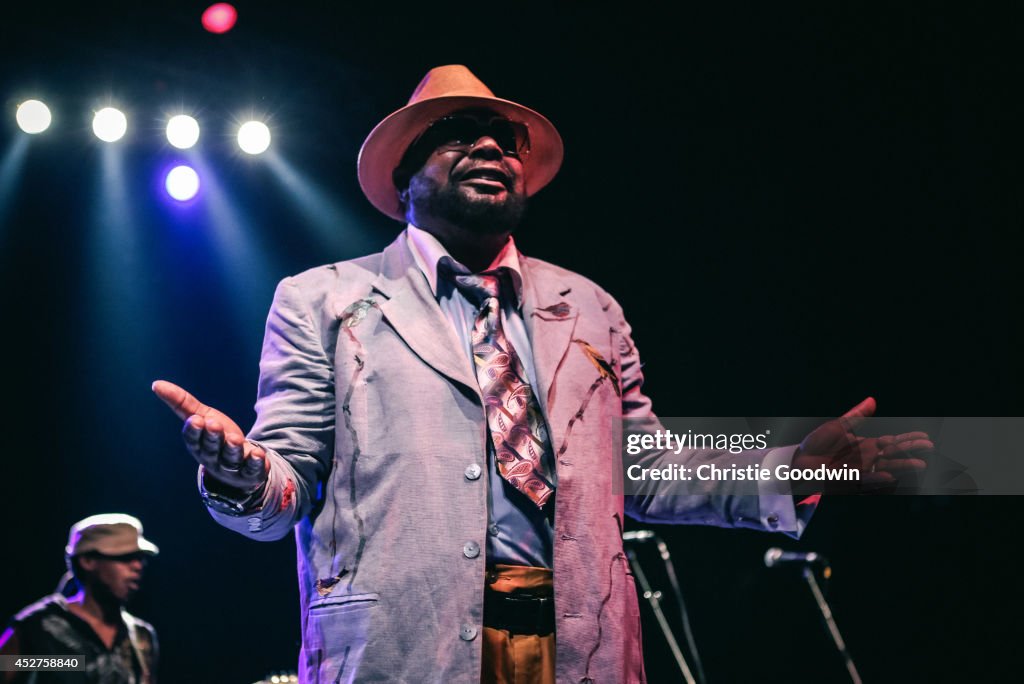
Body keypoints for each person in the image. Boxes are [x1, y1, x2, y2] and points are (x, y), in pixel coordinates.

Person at [152, 65, 930, 683]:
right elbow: (283, 488)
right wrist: (243, 472)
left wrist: (794, 468)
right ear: (402, 179)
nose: (492, 148)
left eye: (505, 138)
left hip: (578, 648)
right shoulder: (326, 299)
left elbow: (646, 469)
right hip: (403, 648)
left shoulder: (587, 306)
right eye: (460, 133)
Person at [0, 514, 159, 684]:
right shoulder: (38, 628)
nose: (138, 566)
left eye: (140, 558)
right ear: (88, 561)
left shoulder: (141, 638)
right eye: (125, 557)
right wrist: (64, 663)